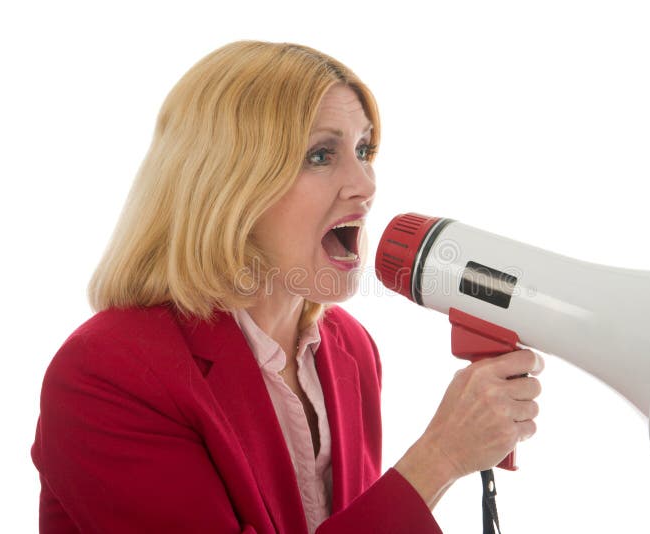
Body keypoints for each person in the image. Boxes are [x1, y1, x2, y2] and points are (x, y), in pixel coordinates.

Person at [31, 40, 543, 533]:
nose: (365, 183)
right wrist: (442, 458)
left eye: (364, 149)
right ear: (227, 182)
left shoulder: (348, 348)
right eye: (321, 155)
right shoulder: (107, 374)